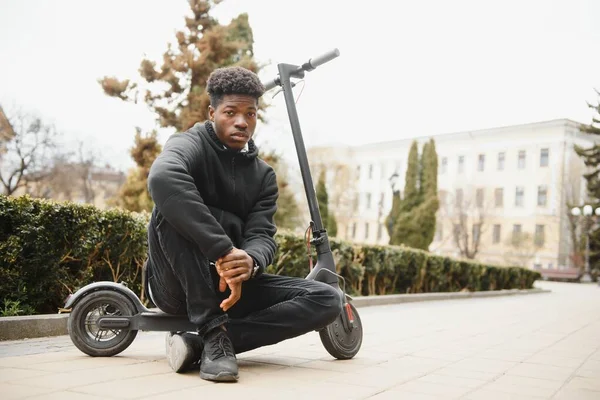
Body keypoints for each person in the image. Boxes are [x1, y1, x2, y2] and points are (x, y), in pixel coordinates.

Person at [145, 66, 342, 382]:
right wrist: (223, 251)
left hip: (232, 289)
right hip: (177, 285)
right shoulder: (189, 144)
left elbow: (262, 235)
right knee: (167, 211)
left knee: (327, 298)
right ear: (212, 112)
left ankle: (205, 342)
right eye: (231, 112)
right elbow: (162, 177)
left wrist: (248, 262)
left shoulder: (263, 176)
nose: (241, 121)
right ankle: (212, 328)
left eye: (250, 114)